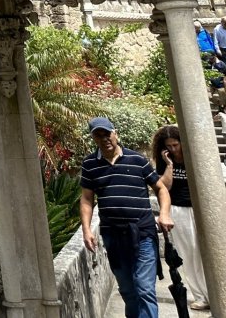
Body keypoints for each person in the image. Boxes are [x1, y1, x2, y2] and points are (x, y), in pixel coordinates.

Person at [80, 116, 173, 318]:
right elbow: (87, 199)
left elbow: (161, 189)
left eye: (108, 133)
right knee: (128, 291)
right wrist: (86, 230)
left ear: (116, 133)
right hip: (113, 235)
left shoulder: (137, 160)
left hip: (142, 232)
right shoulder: (89, 164)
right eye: (99, 135)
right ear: (94, 139)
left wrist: (164, 214)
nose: (105, 138)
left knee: (144, 289)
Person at [151, 125, 210, 311]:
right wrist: (169, 165)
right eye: (169, 146)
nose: (173, 149)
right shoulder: (165, 161)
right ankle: (201, 296)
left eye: (176, 144)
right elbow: (164, 187)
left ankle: (215, 292)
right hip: (178, 210)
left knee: (205, 252)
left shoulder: (195, 157)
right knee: (188, 255)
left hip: (200, 210)